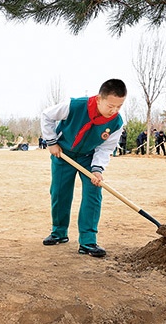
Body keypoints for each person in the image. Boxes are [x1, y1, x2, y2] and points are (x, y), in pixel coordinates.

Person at [40, 79, 126, 258]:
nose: (114, 111)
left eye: (119, 106)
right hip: (63, 153)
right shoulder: (75, 106)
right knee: (59, 192)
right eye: (111, 106)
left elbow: (105, 148)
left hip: (89, 157)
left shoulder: (116, 123)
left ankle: (88, 241)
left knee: (93, 192)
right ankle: (59, 232)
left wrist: (97, 169)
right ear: (99, 99)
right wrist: (52, 142)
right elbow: (47, 116)